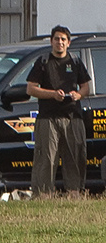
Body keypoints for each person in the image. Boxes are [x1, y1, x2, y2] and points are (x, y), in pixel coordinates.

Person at [25, 25, 91, 196]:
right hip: (48, 117)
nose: (59, 42)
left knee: (75, 157)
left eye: (63, 39)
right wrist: (52, 94)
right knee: (46, 158)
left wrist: (78, 95)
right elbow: (31, 89)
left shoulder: (75, 62)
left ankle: (74, 194)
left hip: (73, 117)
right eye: (56, 39)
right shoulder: (43, 61)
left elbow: (86, 88)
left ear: (68, 42)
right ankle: (43, 195)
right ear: (51, 41)